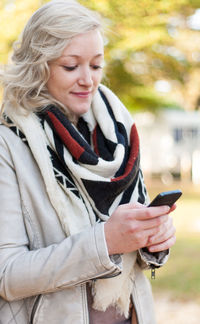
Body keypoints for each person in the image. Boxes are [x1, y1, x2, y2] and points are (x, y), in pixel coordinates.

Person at [0, 1, 176, 323]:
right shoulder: (7, 145)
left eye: (96, 66)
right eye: (71, 66)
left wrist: (154, 239)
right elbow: (7, 275)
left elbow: (132, 252)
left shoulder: (117, 136)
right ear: (38, 66)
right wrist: (105, 241)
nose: (88, 81)